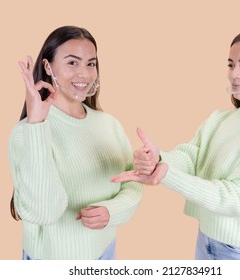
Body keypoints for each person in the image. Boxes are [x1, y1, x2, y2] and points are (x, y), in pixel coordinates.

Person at [111, 29, 240, 260]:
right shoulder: (221, 118)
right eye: (231, 64)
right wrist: (158, 158)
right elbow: (193, 158)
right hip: (207, 241)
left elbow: (238, 198)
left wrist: (165, 175)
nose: (234, 74)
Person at [8, 26, 142, 260]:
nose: (84, 73)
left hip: (104, 253)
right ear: (48, 67)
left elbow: (132, 182)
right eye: (72, 63)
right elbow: (44, 211)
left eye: (91, 63)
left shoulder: (108, 124)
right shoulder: (26, 134)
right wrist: (37, 124)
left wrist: (113, 212)